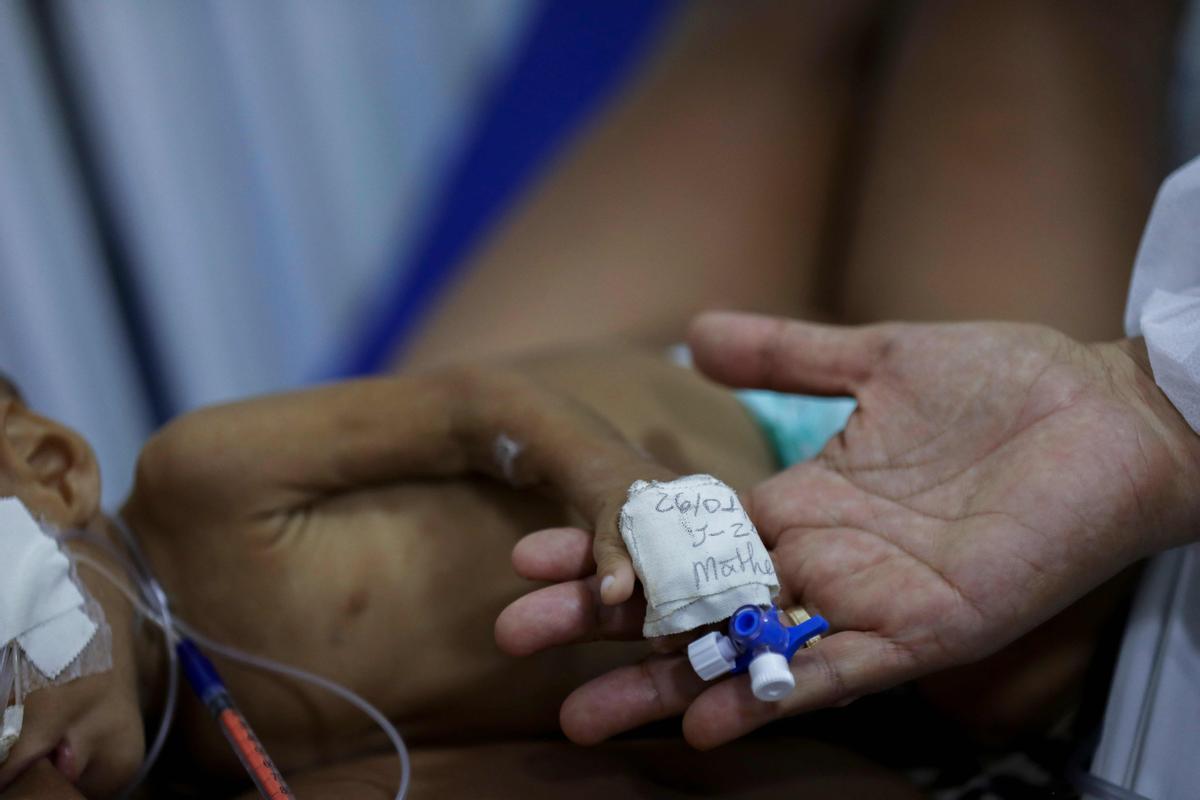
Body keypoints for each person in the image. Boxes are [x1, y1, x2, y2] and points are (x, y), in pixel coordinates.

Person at [0, 352, 922, 798]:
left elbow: (472, 407)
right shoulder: (208, 764)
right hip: (762, 685)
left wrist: (621, 496)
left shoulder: (203, 480)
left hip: (802, 459)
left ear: (48, 469)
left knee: (1018, 679)